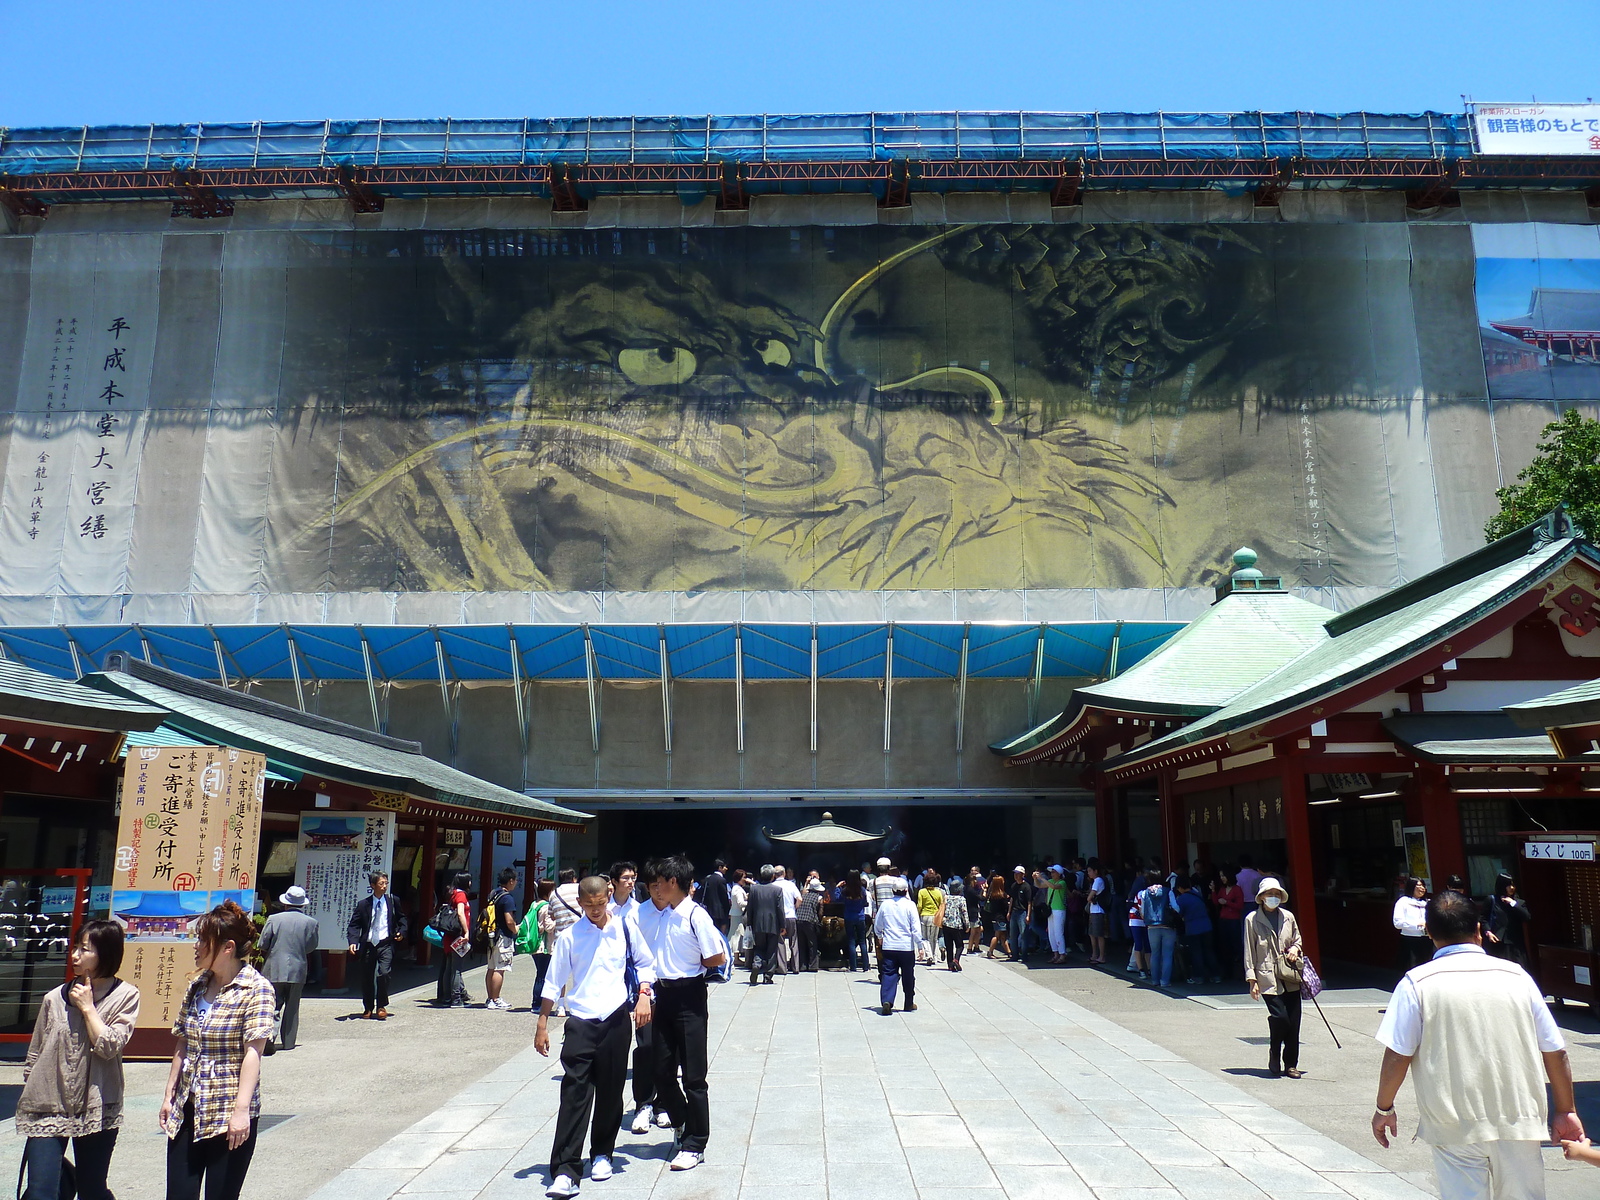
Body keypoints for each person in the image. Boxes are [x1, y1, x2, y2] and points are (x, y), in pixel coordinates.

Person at [1372, 890, 1582, 1200]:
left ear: (1429, 933)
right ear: (1479, 932)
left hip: (1453, 1123)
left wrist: (1383, 1108)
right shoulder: (1517, 977)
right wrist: (1566, 1110)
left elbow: (1397, 1056)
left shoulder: (1417, 983)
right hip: (1519, 1119)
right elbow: (1555, 1050)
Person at [535, 876, 657, 1198]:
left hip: (616, 1018)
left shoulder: (625, 929)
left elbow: (646, 964)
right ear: (580, 902)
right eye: (588, 905)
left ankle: (602, 1153)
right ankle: (566, 1169)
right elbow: (553, 981)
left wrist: (645, 993)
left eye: (600, 903)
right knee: (574, 1092)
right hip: (581, 1020)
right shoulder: (570, 937)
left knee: (611, 1089)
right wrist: (542, 1023)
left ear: (608, 897)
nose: (594, 910)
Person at [161, 900, 277, 1200]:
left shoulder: (256, 988)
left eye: (203, 940)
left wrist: (241, 1112)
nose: (196, 946)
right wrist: (169, 1095)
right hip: (188, 1107)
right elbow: (184, 1041)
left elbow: (253, 1053)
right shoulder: (198, 985)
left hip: (227, 1110)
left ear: (227, 947)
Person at [16, 920, 139, 1200]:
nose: (75, 955)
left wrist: (87, 1008)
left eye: (84, 949)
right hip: (47, 1103)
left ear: (105, 954)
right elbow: (35, 1053)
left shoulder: (126, 996)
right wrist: (31, 1090)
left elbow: (110, 1046)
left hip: (97, 1105)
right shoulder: (53, 998)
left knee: (92, 1190)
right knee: (40, 1191)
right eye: (75, 947)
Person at [638, 856, 725, 1172]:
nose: (657, 887)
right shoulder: (663, 915)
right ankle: (684, 1120)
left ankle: (696, 1142)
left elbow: (717, 955)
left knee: (693, 1075)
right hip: (663, 995)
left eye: (660, 881)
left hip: (689, 996)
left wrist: (694, 967)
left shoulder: (694, 915)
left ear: (673, 883)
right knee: (660, 1070)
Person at [609, 863, 660, 1137]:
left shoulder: (639, 911)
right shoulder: (603, 911)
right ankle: (639, 1103)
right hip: (613, 988)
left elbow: (645, 954)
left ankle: (653, 1103)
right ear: (613, 881)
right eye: (626, 878)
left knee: (650, 1042)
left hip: (643, 984)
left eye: (633, 878)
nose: (631, 882)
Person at [1243, 877, 1304, 1078]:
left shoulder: (1288, 917)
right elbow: (1249, 951)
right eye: (1270, 894)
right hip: (1267, 977)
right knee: (1281, 1018)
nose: (1274, 898)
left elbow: (1297, 939)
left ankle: (1291, 1064)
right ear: (1261, 897)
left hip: (1290, 975)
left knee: (1294, 1022)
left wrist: (1295, 948)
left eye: (1277, 894)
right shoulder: (1251, 919)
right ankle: (1274, 1051)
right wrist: (1252, 980)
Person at [259, 885, 320, 1050]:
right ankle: (289, 1042)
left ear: (285, 903)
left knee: (272, 1004)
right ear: (303, 904)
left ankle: (269, 1037)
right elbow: (311, 947)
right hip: (298, 968)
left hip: (274, 967)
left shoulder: (274, 919)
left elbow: (263, 944)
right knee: (292, 1007)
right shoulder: (311, 923)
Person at [347, 871, 408, 1020]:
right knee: (367, 977)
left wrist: (401, 932)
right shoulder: (363, 904)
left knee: (384, 973)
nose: (384, 886)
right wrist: (353, 942)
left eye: (386, 883)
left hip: (385, 943)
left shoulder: (393, 901)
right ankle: (368, 1007)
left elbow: (402, 919)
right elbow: (354, 925)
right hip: (368, 944)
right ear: (373, 885)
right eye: (381, 883)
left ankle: (381, 1006)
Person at [875, 877, 920, 1014]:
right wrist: (920, 945)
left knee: (888, 974)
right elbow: (916, 928)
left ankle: (887, 1000)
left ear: (892, 890)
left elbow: (878, 925)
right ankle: (908, 1003)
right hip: (906, 947)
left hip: (889, 946)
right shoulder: (910, 905)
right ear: (906, 890)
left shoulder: (885, 904)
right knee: (908, 975)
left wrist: (880, 937)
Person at [485, 867, 522, 1010]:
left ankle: (490, 998)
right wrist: (515, 929)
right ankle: (496, 999)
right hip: (503, 937)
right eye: (515, 880)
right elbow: (509, 920)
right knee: (500, 969)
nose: (516, 883)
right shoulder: (507, 898)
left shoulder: (494, 893)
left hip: (491, 936)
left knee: (491, 968)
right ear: (510, 881)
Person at [1172, 876, 1220, 984]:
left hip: (1193, 928)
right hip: (1207, 926)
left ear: (1179, 887)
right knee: (1209, 951)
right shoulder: (1197, 894)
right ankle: (1216, 975)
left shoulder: (1182, 899)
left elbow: (1179, 914)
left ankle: (1199, 977)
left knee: (1196, 952)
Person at [435, 872, 473, 1008]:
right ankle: (456, 999)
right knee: (456, 969)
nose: (470, 883)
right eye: (469, 880)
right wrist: (466, 932)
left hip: (449, 936)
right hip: (458, 936)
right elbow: (461, 913)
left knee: (449, 968)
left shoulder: (452, 893)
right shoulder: (461, 895)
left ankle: (446, 997)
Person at [746, 866, 785, 985]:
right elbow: (780, 909)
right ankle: (768, 976)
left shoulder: (754, 889)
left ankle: (756, 964)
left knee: (759, 947)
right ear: (772, 876)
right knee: (772, 950)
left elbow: (750, 908)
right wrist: (782, 925)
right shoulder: (777, 890)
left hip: (758, 924)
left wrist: (750, 923)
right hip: (773, 923)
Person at [1141, 871, 1179, 989]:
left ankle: (1154, 980)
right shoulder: (1168, 891)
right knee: (1167, 954)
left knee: (1155, 954)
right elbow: (1176, 908)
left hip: (1152, 927)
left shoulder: (1144, 893)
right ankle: (1165, 981)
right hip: (1167, 925)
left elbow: (1142, 912)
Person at [1486, 872, 1532, 969]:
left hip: (1516, 945)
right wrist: (1488, 932)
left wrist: (1513, 904)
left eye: (1513, 885)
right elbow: (1483, 918)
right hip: (1498, 943)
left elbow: (1527, 917)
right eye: (1508, 885)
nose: (1511, 888)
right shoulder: (1492, 900)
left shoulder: (1519, 902)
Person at [835, 870, 872, 972]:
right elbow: (865, 902)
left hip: (849, 917)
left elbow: (838, 899)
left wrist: (838, 887)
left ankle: (853, 966)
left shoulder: (846, 891)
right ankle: (865, 966)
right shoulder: (862, 890)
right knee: (862, 942)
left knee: (851, 941)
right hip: (860, 917)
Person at [1212, 869, 1245, 979]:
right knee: (1225, 946)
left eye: (1224, 875)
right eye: (1221, 876)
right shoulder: (1222, 889)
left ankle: (1240, 971)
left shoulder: (1237, 889)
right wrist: (1213, 891)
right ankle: (1227, 972)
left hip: (1234, 920)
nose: (1222, 878)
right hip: (1223, 919)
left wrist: (1227, 902)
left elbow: (1240, 905)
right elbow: (1216, 902)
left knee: (1236, 945)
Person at [1393, 877, 1431, 971]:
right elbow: (1397, 923)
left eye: (1423, 885)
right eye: (1418, 885)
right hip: (1410, 940)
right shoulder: (1403, 902)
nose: (1422, 888)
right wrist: (1418, 925)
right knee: (1412, 967)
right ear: (1411, 886)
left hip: (1427, 940)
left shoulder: (1427, 903)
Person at [530, 879, 556, 1007]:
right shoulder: (546, 906)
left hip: (535, 944)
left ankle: (537, 1002)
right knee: (542, 975)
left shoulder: (534, 904)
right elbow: (549, 927)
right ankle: (537, 1003)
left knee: (540, 973)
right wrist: (559, 920)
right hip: (544, 946)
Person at [776, 867, 802, 974]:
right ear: (784, 873)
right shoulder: (791, 885)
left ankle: (782, 968)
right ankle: (795, 967)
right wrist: (794, 908)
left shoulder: (773, 886)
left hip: (779, 917)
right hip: (791, 916)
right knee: (794, 942)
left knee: (780, 942)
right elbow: (800, 899)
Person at [915, 871, 944, 965]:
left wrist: (917, 915)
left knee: (924, 938)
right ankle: (934, 956)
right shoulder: (938, 892)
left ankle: (929, 955)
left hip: (925, 916)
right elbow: (941, 905)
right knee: (934, 938)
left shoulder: (922, 892)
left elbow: (919, 905)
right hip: (935, 917)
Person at [796, 880, 825, 972]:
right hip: (810, 921)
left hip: (798, 920)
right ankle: (813, 965)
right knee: (812, 943)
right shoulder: (819, 897)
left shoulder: (803, 895)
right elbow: (820, 912)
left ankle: (802, 965)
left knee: (801, 943)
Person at [940, 877, 969, 971]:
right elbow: (964, 913)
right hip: (957, 925)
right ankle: (956, 959)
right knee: (960, 945)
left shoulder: (946, 897)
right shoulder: (961, 899)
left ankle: (950, 965)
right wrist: (967, 925)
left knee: (949, 945)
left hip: (946, 924)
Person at [1006, 866, 1032, 962]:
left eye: (1018, 874)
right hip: (1014, 912)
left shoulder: (1026, 887)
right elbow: (1012, 899)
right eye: (1015, 874)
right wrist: (1009, 912)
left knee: (1024, 934)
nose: (1016, 876)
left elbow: (1029, 902)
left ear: (1022, 874)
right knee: (1013, 935)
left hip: (1023, 912)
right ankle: (1015, 955)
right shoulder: (1014, 886)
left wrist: (1028, 915)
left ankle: (1024, 955)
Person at [1126, 874, 1150, 979]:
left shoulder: (1141, 893)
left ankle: (1146, 969)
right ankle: (1143, 969)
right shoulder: (1142, 893)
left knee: (1143, 945)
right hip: (1138, 920)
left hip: (1139, 920)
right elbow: (1141, 909)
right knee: (1141, 944)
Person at [1044, 865, 1069, 963]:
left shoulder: (1062, 882)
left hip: (1059, 909)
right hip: (1051, 909)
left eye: (1054, 872)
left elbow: (1054, 887)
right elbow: (1039, 885)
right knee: (1051, 933)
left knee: (1059, 933)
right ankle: (1055, 954)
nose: (1052, 874)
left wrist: (1042, 878)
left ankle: (1062, 954)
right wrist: (1036, 879)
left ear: (1059, 873)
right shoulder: (1050, 881)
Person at [699, 860, 731, 936]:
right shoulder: (721, 880)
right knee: (720, 933)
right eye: (724, 867)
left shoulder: (707, 878)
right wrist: (728, 909)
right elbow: (724, 897)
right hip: (720, 912)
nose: (726, 869)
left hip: (709, 910)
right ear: (720, 868)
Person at [985, 873, 1010, 959]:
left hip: (995, 917)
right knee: (997, 935)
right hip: (1001, 918)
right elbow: (1005, 907)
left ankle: (1009, 952)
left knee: (1003, 936)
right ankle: (990, 951)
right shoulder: (1002, 895)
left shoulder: (992, 894)